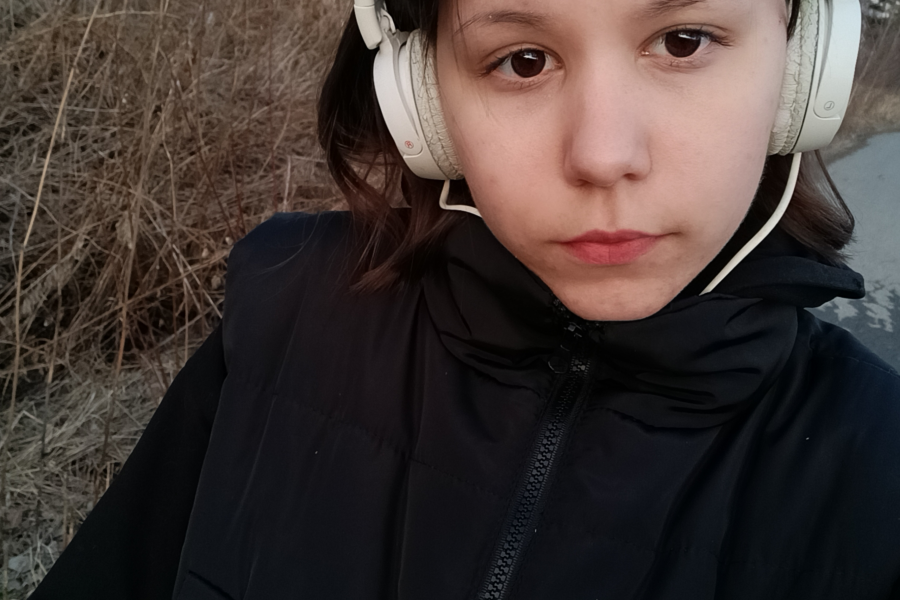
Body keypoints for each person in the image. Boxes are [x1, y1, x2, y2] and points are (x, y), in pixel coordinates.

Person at [30, 0, 900, 598]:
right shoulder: (282, 309)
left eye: (682, 41)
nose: (603, 155)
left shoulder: (877, 472)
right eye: (523, 60)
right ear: (425, 105)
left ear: (802, 69)